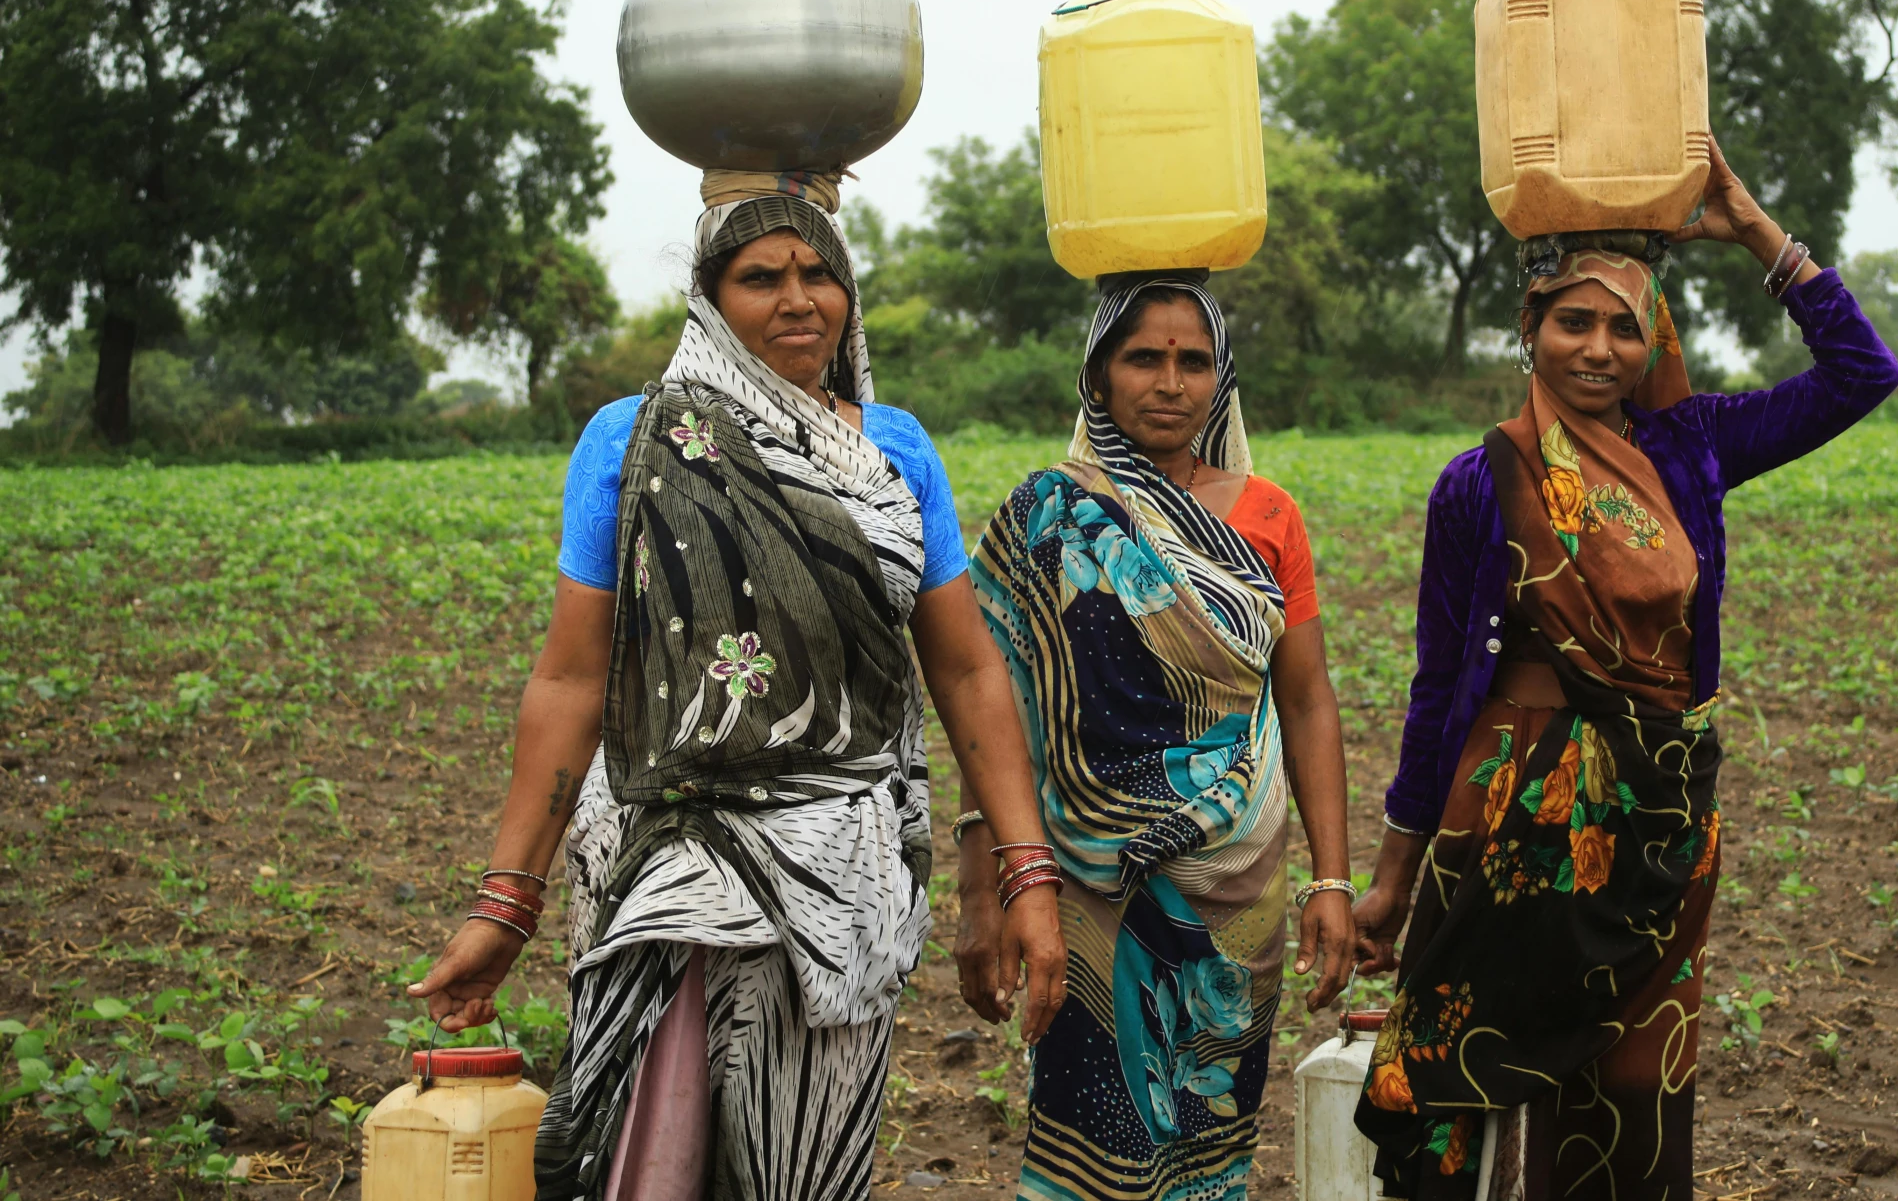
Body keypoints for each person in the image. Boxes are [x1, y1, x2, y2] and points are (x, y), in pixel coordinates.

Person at [408, 171, 1067, 1201]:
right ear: (709, 300)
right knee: (648, 1159)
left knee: (805, 1167)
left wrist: (1026, 873)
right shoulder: (630, 441)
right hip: (662, 860)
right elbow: (572, 678)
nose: (797, 298)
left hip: (841, 873)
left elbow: (969, 668)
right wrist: (507, 899)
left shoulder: (891, 452)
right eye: (761, 276)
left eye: (819, 273)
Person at [1350, 141, 1898, 1200]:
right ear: (1528, 329)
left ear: (1655, 338)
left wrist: (1753, 228)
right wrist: (1392, 870)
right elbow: (1438, 686)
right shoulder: (1480, 481)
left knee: (1627, 1081)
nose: (1598, 348)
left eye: (1624, 326)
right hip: (1504, 809)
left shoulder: (1691, 449)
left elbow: (1861, 374)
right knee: (1448, 1076)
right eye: (1573, 320)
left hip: (1653, 817)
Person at [961, 270, 1358, 1201]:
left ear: (1220, 378)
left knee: (1213, 1146)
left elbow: (1306, 701)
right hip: (1089, 892)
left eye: (1193, 361)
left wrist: (1333, 879)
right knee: (1091, 1138)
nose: (1170, 382)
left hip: (1237, 896)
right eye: (1144, 358)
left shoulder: (1269, 515)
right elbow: (998, 718)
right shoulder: (1044, 517)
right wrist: (983, 892)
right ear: (1098, 377)